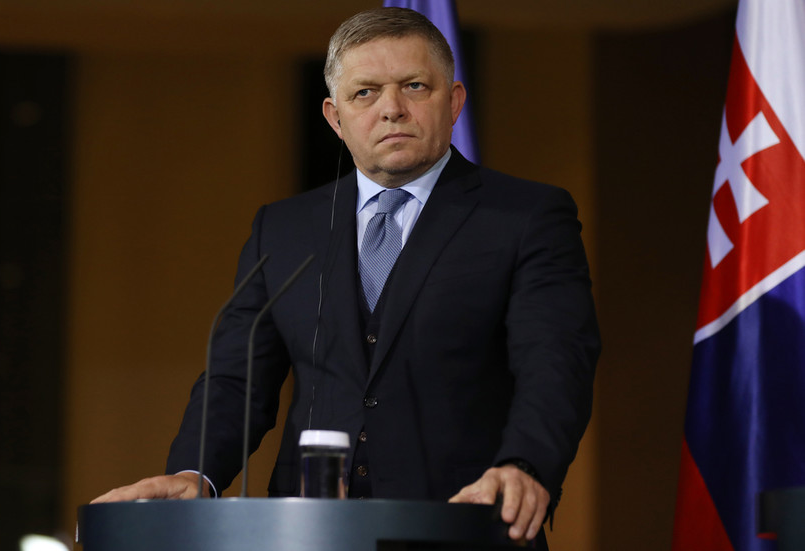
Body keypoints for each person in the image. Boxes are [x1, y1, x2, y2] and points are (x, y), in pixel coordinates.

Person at [92, 7, 600, 547]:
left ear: (453, 102)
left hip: (466, 522)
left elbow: (556, 360)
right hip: (309, 532)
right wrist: (196, 472)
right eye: (366, 93)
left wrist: (525, 464)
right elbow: (238, 378)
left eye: (414, 86)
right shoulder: (284, 229)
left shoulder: (524, 216)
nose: (392, 109)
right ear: (335, 118)